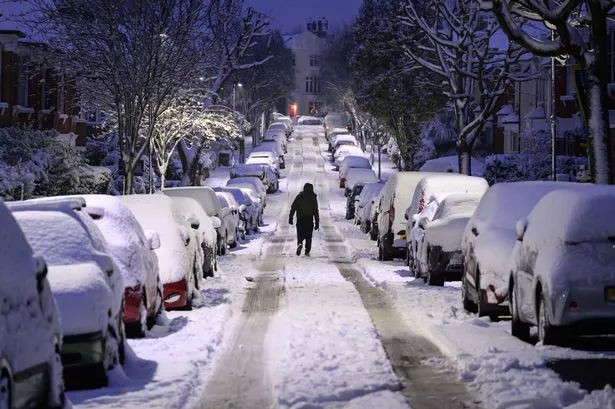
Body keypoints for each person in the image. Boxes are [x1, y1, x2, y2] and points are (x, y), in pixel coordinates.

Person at [289, 182, 319, 256]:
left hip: (300, 219)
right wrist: (317, 222)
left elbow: (293, 207)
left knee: (300, 234)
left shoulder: (300, 196)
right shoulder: (313, 197)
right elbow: (316, 210)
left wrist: (290, 217)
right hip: (309, 220)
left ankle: (299, 243)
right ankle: (307, 251)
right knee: (309, 237)